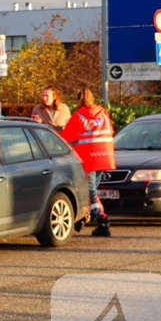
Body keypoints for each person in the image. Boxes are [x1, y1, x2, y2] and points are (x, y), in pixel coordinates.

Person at [61, 88, 116, 237]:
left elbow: (66, 137)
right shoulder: (103, 112)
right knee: (93, 190)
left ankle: (102, 220)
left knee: (90, 192)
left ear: (78, 100)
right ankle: (89, 216)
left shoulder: (79, 116)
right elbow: (111, 130)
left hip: (88, 158)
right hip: (104, 156)